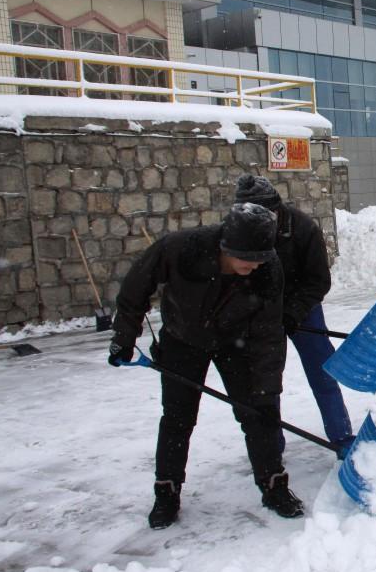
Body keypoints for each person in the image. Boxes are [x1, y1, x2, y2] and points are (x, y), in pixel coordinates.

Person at [108, 202, 304, 529]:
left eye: (260, 258)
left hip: (236, 343)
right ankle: (167, 491)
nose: (254, 265)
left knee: (260, 413)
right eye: (248, 258)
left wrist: (267, 389)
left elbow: (269, 333)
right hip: (182, 339)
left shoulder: (268, 269)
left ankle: (273, 486)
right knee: (177, 417)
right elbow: (135, 288)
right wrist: (124, 336)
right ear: (227, 247)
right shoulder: (182, 248)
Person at [232, 175, 354, 458]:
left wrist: (293, 312)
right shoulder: (239, 231)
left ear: (277, 209)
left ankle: (341, 436)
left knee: (322, 372)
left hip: (304, 309)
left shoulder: (303, 228)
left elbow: (318, 281)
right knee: (265, 381)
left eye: (265, 215)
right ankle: (271, 443)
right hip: (261, 313)